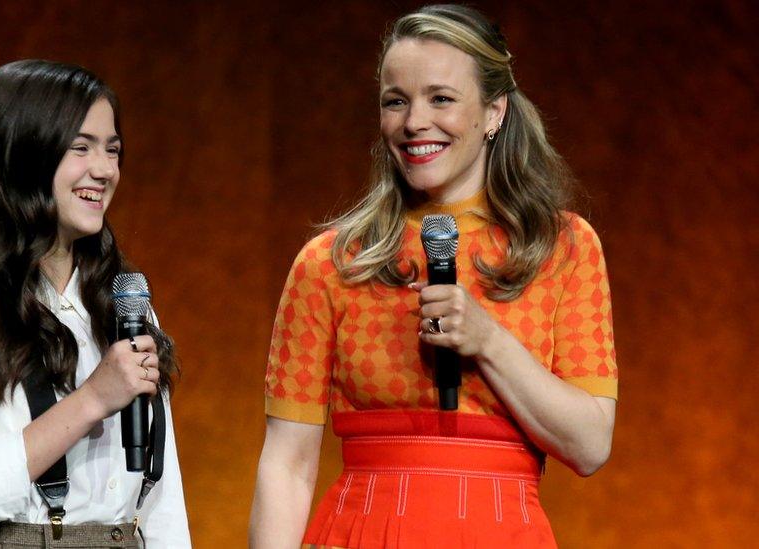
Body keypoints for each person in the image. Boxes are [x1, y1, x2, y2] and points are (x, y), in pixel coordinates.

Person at [250, 5, 617, 548]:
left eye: (440, 99)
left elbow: (589, 445)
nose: (414, 121)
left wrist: (488, 340)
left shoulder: (561, 247)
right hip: (362, 530)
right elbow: (288, 463)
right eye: (396, 101)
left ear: (494, 111)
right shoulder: (332, 261)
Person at [0, 60, 191, 547]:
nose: (104, 170)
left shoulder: (122, 304)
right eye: (81, 148)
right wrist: (92, 400)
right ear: (22, 155)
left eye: (112, 151)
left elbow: (161, 500)